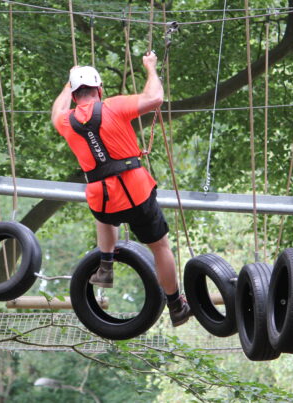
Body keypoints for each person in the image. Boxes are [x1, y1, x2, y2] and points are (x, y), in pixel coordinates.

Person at [50, 51, 192, 327]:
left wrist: (68, 83)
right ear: (99, 90)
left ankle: (105, 264)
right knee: (160, 246)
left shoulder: (65, 121)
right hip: (136, 192)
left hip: (102, 198)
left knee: (104, 215)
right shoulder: (113, 106)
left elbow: (56, 111)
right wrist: (150, 68)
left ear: (75, 94)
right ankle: (176, 306)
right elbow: (155, 98)